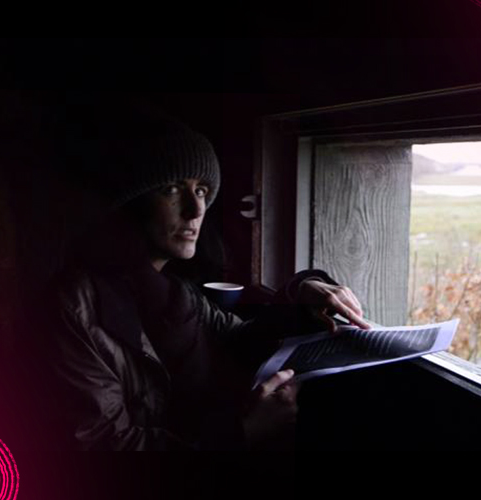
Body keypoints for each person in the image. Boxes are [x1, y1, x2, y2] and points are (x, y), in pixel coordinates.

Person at [43, 104, 371, 451]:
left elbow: (241, 337)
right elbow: (105, 448)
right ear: (130, 201)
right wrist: (240, 434)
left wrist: (302, 291)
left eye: (201, 190)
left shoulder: (177, 294)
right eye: (172, 188)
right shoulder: (73, 306)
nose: (196, 209)